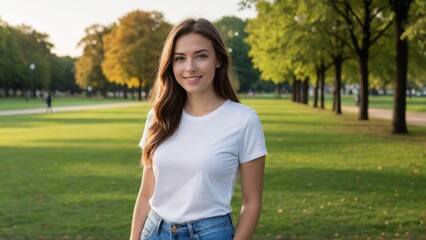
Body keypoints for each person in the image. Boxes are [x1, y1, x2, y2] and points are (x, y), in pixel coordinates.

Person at [130, 18, 267, 240]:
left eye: (201, 56)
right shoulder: (159, 115)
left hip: (210, 233)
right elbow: (146, 193)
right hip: (154, 231)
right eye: (180, 58)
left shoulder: (244, 120)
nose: (190, 67)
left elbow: (252, 203)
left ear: (218, 60)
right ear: (170, 64)